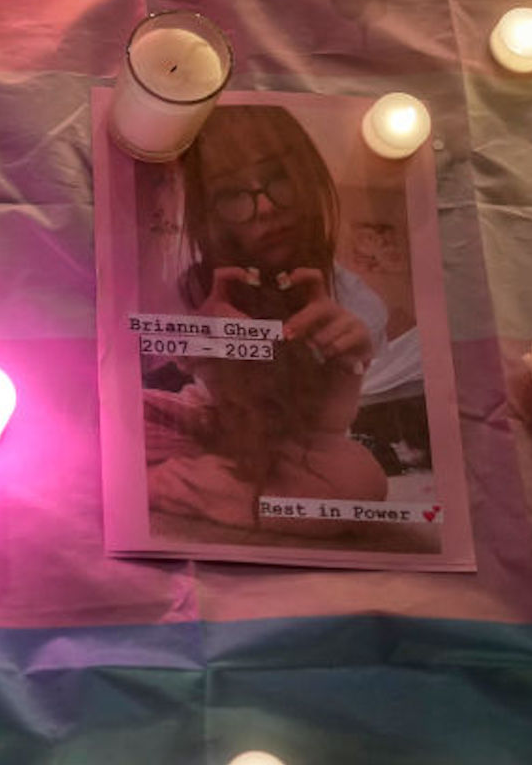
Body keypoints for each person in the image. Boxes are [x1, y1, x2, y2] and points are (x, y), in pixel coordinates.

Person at [142, 105, 390, 532]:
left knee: (360, 481)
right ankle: (208, 480)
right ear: (211, 213)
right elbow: (141, 363)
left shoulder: (356, 303)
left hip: (298, 445)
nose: (264, 209)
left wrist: (347, 364)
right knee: (114, 419)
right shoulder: (192, 287)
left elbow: (330, 427)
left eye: (279, 180)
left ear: (307, 180)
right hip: (210, 419)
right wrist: (202, 342)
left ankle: (168, 484)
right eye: (233, 195)